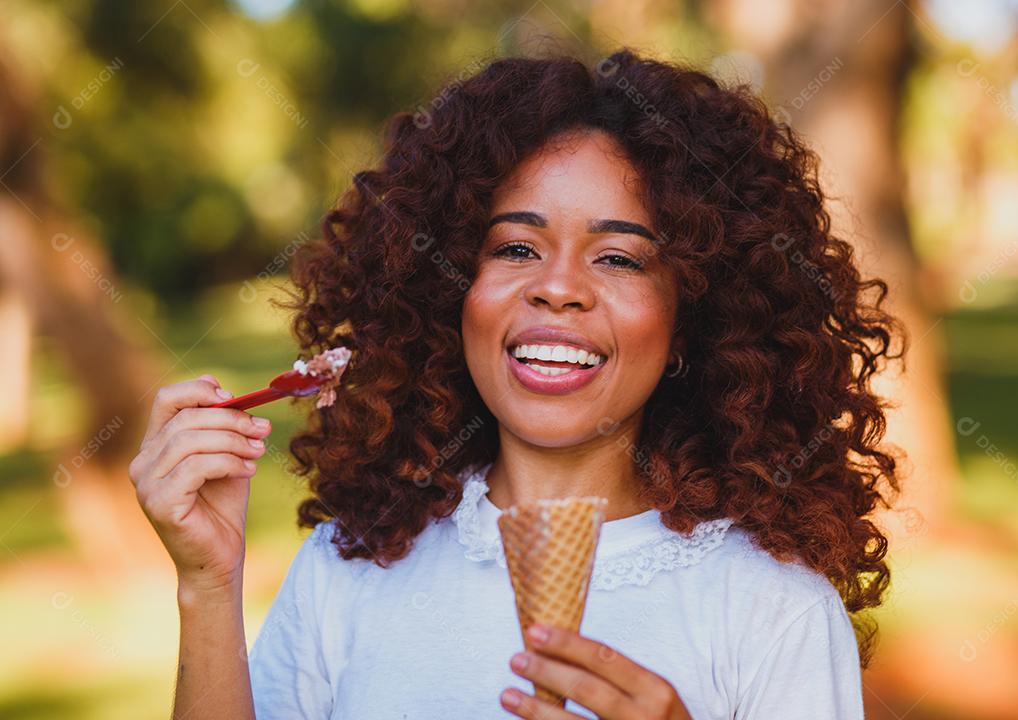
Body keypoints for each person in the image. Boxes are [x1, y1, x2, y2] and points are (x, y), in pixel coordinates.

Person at [129, 46, 905, 719]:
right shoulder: (349, 567)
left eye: (619, 258)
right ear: (449, 295)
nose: (558, 288)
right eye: (515, 249)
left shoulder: (772, 609)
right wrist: (207, 582)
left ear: (690, 323)